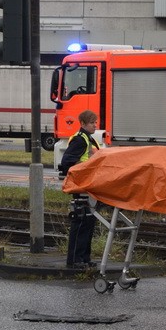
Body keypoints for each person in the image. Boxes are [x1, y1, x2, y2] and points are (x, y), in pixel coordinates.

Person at [58, 109, 100, 268]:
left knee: (89, 222)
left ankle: (84, 258)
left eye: (95, 122)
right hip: (80, 186)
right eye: (92, 123)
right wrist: (83, 171)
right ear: (83, 124)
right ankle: (75, 260)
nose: (95, 125)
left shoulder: (89, 139)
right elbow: (66, 162)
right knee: (81, 222)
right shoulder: (80, 140)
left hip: (88, 186)